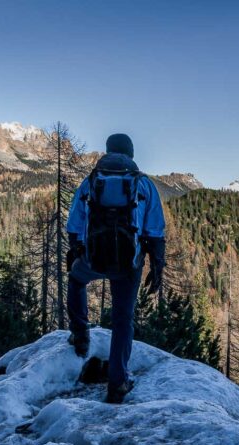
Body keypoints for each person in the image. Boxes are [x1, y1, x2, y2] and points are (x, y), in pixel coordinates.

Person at [66, 133, 165, 404]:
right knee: (123, 320)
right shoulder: (143, 183)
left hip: (93, 258)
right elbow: (155, 230)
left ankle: (80, 334)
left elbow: (74, 223)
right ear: (131, 154)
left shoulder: (91, 181)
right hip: (128, 263)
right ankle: (118, 383)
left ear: (108, 151)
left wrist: (75, 251)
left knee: (76, 281)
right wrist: (157, 265)